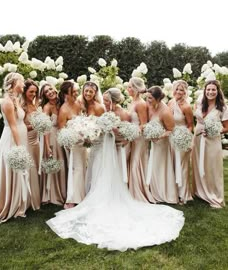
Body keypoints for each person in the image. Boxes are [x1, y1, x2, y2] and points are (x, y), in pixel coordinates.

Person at [46, 87, 185, 252]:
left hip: (109, 146)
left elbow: (125, 132)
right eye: (103, 99)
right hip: (101, 145)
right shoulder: (104, 110)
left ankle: (101, 197)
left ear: (113, 100)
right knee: (97, 171)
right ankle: (91, 193)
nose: (104, 102)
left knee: (105, 172)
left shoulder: (120, 113)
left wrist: (114, 132)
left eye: (106, 100)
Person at [0, 72, 30, 222]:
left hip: (20, 137)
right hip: (12, 140)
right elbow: (13, 126)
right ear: (14, 83)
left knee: (19, 171)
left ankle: (19, 202)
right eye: (21, 82)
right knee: (12, 170)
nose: (24, 85)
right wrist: (19, 147)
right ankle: (9, 204)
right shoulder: (7, 102)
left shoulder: (17, 100)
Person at [192, 80, 228, 208]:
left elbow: (226, 127)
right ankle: (199, 192)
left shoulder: (222, 107)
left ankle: (214, 195)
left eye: (213, 90)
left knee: (212, 167)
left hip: (212, 140)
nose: (210, 92)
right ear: (205, 90)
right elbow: (197, 119)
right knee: (198, 164)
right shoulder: (199, 103)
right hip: (197, 138)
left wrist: (214, 130)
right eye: (208, 89)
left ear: (218, 92)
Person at [146, 86, 178, 204]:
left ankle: (162, 193)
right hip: (151, 143)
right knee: (151, 166)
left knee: (159, 167)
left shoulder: (165, 111)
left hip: (160, 144)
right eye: (147, 97)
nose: (147, 100)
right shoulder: (150, 106)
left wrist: (158, 136)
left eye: (150, 98)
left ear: (158, 98)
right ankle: (151, 190)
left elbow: (171, 130)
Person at [58, 81, 87, 209]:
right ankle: (73, 198)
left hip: (83, 142)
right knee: (76, 169)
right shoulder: (63, 110)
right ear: (66, 94)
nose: (76, 93)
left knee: (83, 168)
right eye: (73, 92)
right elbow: (62, 130)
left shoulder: (78, 103)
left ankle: (83, 194)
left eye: (76, 91)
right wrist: (70, 142)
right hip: (73, 144)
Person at [127, 77, 155, 203]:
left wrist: (133, 132)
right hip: (131, 137)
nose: (127, 89)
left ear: (136, 89)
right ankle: (130, 190)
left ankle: (138, 192)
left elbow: (144, 124)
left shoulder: (141, 104)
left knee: (135, 164)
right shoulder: (132, 102)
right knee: (130, 162)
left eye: (129, 87)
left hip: (139, 138)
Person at [39, 83, 66, 205]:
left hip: (64, 136)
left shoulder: (62, 102)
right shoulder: (47, 107)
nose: (49, 92)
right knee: (56, 162)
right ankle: (54, 193)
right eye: (46, 92)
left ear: (54, 89)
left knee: (64, 163)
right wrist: (47, 146)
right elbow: (45, 128)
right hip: (52, 138)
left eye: (50, 89)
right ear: (45, 96)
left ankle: (65, 190)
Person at [168, 80, 193, 204]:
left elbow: (190, 126)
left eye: (181, 89)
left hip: (182, 138)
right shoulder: (170, 103)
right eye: (177, 89)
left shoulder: (186, 106)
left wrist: (185, 137)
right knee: (172, 164)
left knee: (182, 166)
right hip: (170, 137)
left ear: (185, 92)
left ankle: (183, 195)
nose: (178, 92)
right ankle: (173, 193)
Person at [80, 81, 105, 193]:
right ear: (83, 91)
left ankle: (97, 190)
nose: (88, 93)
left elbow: (104, 127)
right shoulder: (81, 105)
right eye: (86, 91)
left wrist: (92, 135)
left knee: (96, 164)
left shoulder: (99, 107)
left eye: (91, 91)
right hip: (86, 139)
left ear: (95, 93)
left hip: (98, 141)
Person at [21, 79, 41, 210]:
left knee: (35, 167)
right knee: (29, 169)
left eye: (35, 92)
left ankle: (35, 196)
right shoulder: (22, 107)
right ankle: (27, 199)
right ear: (24, 91)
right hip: (27, 140)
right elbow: (20, 127)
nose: (33, 94)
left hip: (36, 141)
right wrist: (34, 125)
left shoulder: (35, 105)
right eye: (31, 91)